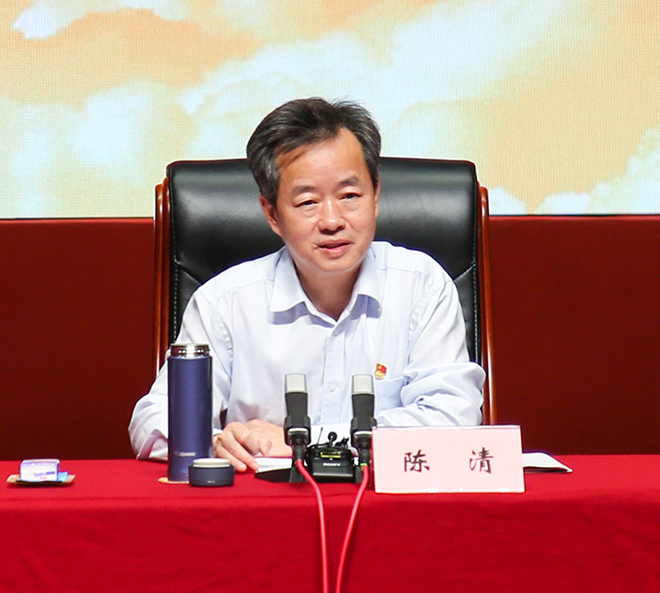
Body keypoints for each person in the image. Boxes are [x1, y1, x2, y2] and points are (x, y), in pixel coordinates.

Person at [129, 97, 485, 472]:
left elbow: (455, 418)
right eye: (308, 202)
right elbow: (153, 419)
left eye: (350, 196)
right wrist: (212, 442)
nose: (332, 221)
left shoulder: (422, 287)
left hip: (382, 500)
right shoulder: (223, 304)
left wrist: (306, 441)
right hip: (264, 503)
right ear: (272, 214)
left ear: (376, 196)